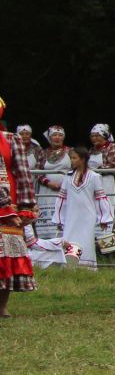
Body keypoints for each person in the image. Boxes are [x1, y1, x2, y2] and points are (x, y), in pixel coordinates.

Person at [52, 145, 115, 269]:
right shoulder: (68, 177)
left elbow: (100, 198)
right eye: (71, 158)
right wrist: (59, 218)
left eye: (74, 158)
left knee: (86, 240)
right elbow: (62, 199)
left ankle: (86, 266)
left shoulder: (94, 177)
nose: (72, 161)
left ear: (83, 159)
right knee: (69, 239)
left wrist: (103, 218)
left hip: (87, 216)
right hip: (71, 215)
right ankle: (71, 265)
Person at [0, 100, 35, 315]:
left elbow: (22, 174)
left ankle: (2, 306)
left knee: (8, 253)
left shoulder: (10, 139)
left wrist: (27, 206)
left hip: (9, 204)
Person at [88, 123, 115, 246]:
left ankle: (109, 246)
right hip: (93, 182)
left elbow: (112, 165)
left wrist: (94, 170)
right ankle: (95, 244)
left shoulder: (112, 147)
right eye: (92, 136)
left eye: (97, 136)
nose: (94, 139)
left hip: (106, 183)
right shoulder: (92, 150)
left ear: (104, 136)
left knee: (108, 211)